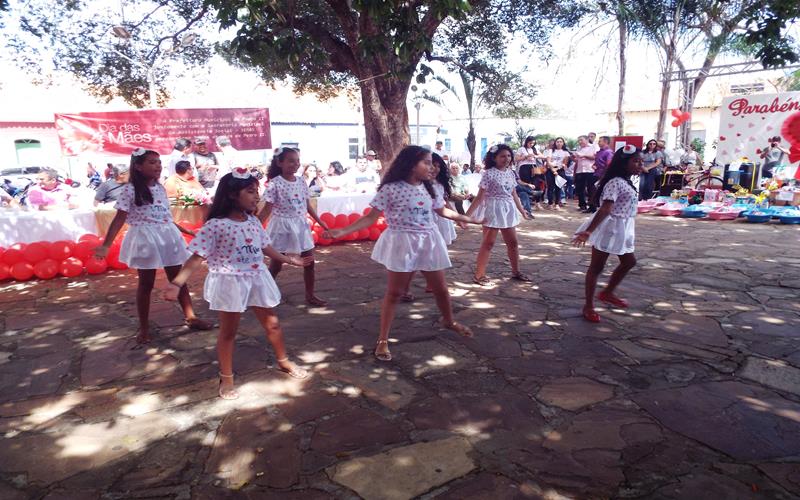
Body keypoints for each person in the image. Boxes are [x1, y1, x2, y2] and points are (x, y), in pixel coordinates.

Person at [324, 146, 482, 360]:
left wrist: (469, 219)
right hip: (402, 241)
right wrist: (342, 230)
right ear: (410, 164)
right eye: (426, 162)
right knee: (394, 293)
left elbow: (441, 210)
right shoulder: (390, 189)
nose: (432, 167)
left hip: (429, 240)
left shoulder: (430, 189)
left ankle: (449, 321)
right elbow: (371, 218)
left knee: (441, 289)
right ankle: (382, 339)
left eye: (433, 163)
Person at [165, 169, 309, 399]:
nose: (256, 197)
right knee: (229, 332)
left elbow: (265, 247)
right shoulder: (215, 225)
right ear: (232, 194)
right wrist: (176, 283)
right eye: (251, 192)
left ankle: (284, 361)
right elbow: (196, 257)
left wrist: (288, 259)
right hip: (230, 281)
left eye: (257, 192)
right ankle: (227, 377)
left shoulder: (252, 220)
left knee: (273, 325)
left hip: (256, 278)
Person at [95, 148, 211, 344]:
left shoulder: (160, 188)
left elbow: (165, 216)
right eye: (151, 162)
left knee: (178, 278)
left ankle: (191, 317)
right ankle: (144, 327)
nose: (157, 166)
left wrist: (186, 231)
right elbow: (118, 219)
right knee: (146, 284)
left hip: (167, 236)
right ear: (138, 167)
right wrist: (106, 245)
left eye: (158, 162)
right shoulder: (129, 190)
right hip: (146, 238)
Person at [572, 145, 642, 323]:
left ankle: (607, 292)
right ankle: (588, 306)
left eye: (640, 161)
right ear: (623, 163)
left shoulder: (626, 181)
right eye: (635, 161)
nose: (640, 164)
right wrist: (588, 231)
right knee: (597, 267)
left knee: (629, 261)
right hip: (610, 226)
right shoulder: (615, 182)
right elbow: (605, 209)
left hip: (624, 226)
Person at [257, 147, 329, 306]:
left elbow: (307, 204)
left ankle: (310, 295)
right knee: (276, 264)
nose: (295, 164)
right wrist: (253, 226)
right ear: (279, 162)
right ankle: (264, 293)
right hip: (281, 227)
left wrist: (320, 222)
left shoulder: (302, 181)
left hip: (300, 225)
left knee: (309, 261)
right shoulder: (274, 184)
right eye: (291, 161)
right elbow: (267, 209)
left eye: (297, 161)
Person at [466, 144, 533, 286]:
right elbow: (479, 197)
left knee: (513, 243)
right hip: (493, 208)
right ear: (494, 158)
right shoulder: (488, 173)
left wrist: (522, 211)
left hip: (508, 209)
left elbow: (514, 193)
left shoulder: (510, 172)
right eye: (502, 156)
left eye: (509, 156)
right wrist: (466, 216)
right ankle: (479, 275)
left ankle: (516, 271)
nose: (506, 159)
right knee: (488, 243)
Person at [515, 136, 541, 217]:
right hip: (524, 167)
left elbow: (543, 156)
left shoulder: (535, 149)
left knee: (528, 189)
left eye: (533, 143)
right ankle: (532, 193)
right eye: (530, 143)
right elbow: (516, 159)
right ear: (527, 142)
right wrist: (526, 156)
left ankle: (528, 209)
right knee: (524, 189)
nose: (531, 144)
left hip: (533, 168)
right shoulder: (521, 149)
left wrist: (535, 156)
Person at [586, 136, 613, 213]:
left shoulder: (608, 152)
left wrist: (604, 175)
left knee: (599, 191)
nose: (598, 143)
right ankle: (592, 207)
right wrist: (594, 165)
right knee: (591, 190)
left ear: (605, 142)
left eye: (600, 141)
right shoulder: (599, 152)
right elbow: (597, 162)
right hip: (596, 173)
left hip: (602, 175)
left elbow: (608, 164)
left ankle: (599, 208)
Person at [544, 137, 570, 210]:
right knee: (550, 188)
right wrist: (553, 170)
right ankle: (550, 203)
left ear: (563, 143)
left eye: (561, 141)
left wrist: (557, 169)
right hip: (550, 170)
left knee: (558, 188)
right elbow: (548, 161)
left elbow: (565, 163)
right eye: (557, 141)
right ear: (555, 143)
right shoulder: (551, 151)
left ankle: (557, 204)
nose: (559, 143)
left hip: (560, 170)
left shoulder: (565, 152)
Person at [574, 135, 597, 212]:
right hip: (580, 170)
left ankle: (592, 206)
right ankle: (582, 205)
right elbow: (577, 160)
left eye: (581, 140)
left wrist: (584, 155)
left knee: (591, 189)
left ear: (587, 140)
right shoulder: (578, 148)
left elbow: (596, 157)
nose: (580, 142)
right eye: (579, 140)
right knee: (580, 189)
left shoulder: (593, 147)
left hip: (590, 170)